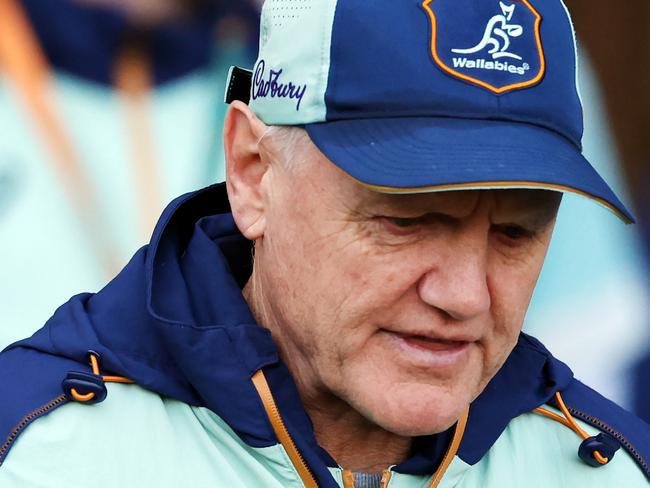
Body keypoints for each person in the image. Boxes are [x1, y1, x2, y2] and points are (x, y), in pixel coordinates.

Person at [1, 0, 649, 486]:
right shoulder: (31, 457)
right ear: (253, 173)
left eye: (515, 232)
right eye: (407, 220)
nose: (463, 296)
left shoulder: (612, 468)